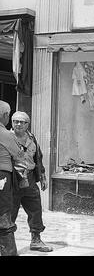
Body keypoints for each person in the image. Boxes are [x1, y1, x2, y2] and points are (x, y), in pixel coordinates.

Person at [10, 111, 53, 252]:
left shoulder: (32, 138)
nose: (19, 124)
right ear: (11, 122)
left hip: (29, 179)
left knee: (35, 210)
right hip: (12, 180)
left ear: (28, 124)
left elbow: (38, 158)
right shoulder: (6, 138)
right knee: (9, 213)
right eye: (16, 121)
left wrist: (42, 176)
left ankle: (36, 240)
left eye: (22, 122)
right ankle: (6, 243)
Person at [0, 100, 24, 256]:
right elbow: (19, 155)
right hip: (2, 177)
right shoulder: (6, 134)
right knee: (4, 214)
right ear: (5, 115)